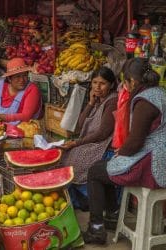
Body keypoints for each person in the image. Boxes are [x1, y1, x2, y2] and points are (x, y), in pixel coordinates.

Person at [83, 58, 166, 245]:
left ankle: (96, 229)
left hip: (155, 166)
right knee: (104, 168)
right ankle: (112, 215)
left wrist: (121, 152)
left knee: (95, 172)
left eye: (125, 82)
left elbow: (135, 142)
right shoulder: (160, 93)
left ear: (132, 82)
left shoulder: (146, 101)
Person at [59, 67, 118, 209]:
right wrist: (90, 103)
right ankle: (73, 198)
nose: (97, 87)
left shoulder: (112, 101)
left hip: (103, 144)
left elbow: (103, 133)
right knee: (65, 156)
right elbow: (80, 125)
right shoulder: (98, 100)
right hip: (92, 141)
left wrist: (76, 143)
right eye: (94, 82)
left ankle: (87, 200)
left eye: (102, 83)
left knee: (77, 162)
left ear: (111, 85)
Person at [0, 57, 42, 128]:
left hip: (23, 131)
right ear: (9, 79)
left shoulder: (32, 89)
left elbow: (26, 116)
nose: (22, 80)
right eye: (18, 77)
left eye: (24, 75)